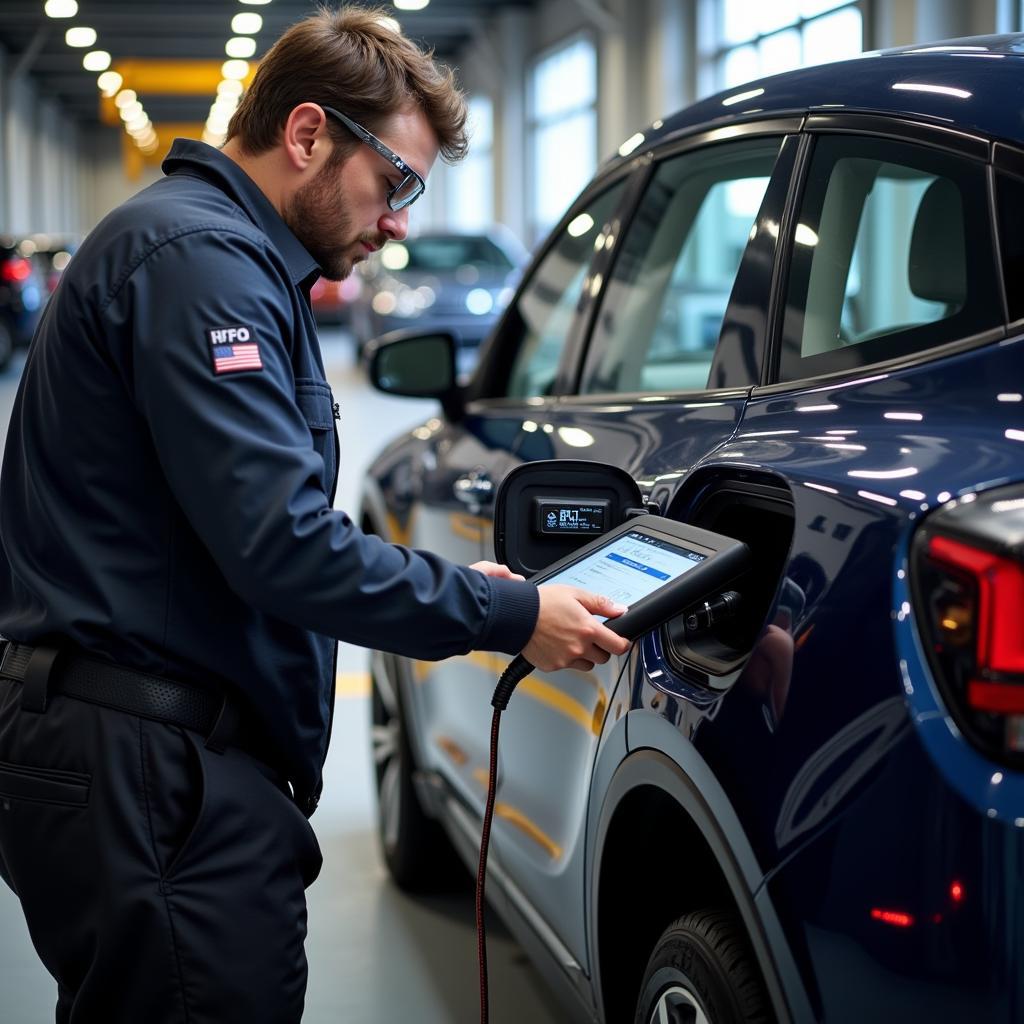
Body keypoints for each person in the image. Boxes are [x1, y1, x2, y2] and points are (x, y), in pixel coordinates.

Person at [0, 7, 629, 1023]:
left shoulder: (219, 256)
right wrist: (505, 616)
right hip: (153, 775)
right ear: (307, 136)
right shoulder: (200, 264)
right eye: (395, 184)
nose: (396, 224)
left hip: (149, 760)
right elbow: (282, 543)